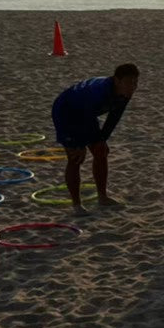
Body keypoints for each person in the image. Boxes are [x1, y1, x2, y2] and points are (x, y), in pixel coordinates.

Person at [51, 64, 139, 215]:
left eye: (135, 82)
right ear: (117, 80)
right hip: (66, 112)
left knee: (101, 151)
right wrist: (80, 145)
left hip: (87, 114)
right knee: (76, 158)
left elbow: (114, 118)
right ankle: (76, 206)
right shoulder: (98, 92)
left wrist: (102, 139)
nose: (133, 86)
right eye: (129, 82)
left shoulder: (125, 93)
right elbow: (83, 117)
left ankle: (102, 197)